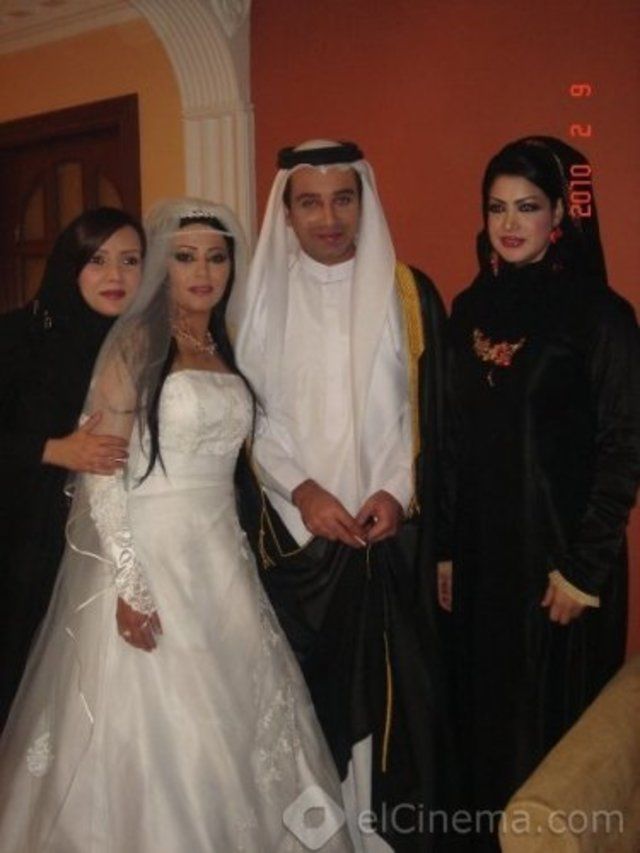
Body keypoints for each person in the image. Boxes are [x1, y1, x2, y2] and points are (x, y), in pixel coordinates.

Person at [0, 197, 351, 852]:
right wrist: (130, 582)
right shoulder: (136, 344)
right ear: (164, 267)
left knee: (246, 719)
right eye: (185, 257)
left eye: (217, 258)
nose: (203, 272)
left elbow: (254, 447)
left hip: (221, 557)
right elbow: (104, 473)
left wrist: (305, 490)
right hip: (150, 555)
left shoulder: (224, 345)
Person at [228, 140, 449, 850]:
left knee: (393, 712)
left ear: (363, 203)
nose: (329, 218)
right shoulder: (256, 300)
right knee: (309, 708)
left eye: (343, 199)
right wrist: (303, 491)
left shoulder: (408, 293)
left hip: (389, 538)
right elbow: (251, 420)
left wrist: (396, 491)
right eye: (311, 202)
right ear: (287, 212)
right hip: (298, 543)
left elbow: (425, 413)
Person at [441, 136, 640, 849]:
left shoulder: (600, 315)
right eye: (496, 207)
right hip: (483, 564)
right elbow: (452, 439)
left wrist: (584, 571)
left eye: (527, 206)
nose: (509, 223)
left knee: (551, 743)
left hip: (560, 570)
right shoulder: (468, 308)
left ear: (559, 213)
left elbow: (625, 444)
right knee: (482, 726)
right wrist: (445, 550)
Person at [0, 207, 145, 728]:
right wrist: (51, 449)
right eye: (97, 260)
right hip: (26, 542)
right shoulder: (17, 337)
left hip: (117, 549)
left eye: (130, 260)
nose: (115, 275)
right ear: (70, 265)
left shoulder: (145, 344)